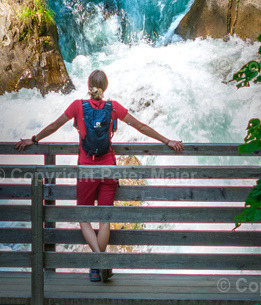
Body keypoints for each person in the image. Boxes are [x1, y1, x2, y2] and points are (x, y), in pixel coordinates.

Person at [15, 69, 184, 283]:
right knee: (104, 220)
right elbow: (139, 126)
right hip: (109, 169)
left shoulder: (77, 106)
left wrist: (34, 139)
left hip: (86, 169)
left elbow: (55, 125)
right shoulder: (113, 107)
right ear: (105, 87)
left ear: (88, 85)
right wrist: (167, 140)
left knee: (83, 218)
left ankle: (100, 261)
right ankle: (97, 266)